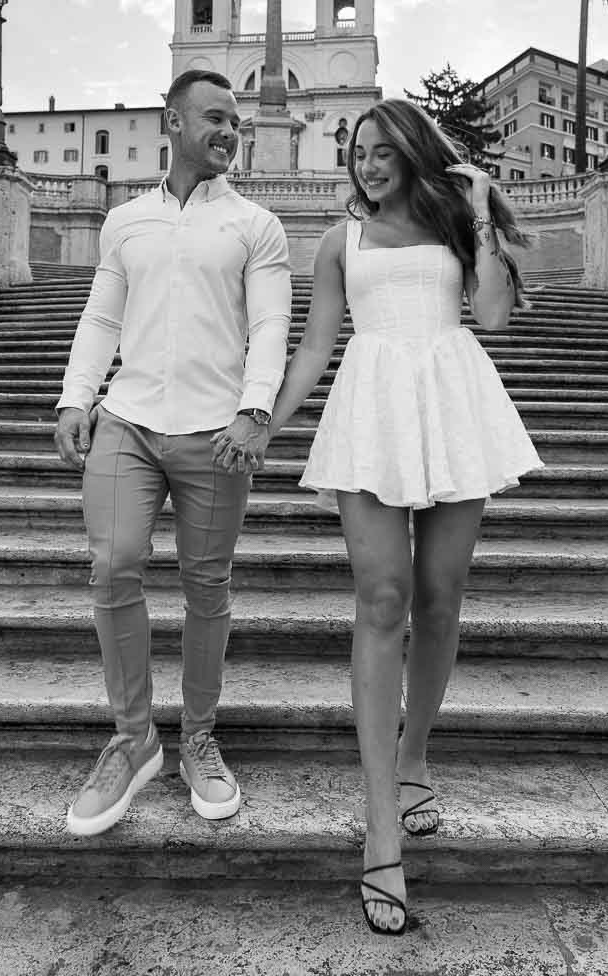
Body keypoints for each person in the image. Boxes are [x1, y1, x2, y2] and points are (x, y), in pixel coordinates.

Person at [215, 98, 541, 935]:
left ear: (411, 149)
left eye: (379, 148)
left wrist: (477, 209)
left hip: (452, 397)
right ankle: (380, 828)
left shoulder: (455, 226)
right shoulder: (337, 240)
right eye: (355, 151)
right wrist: (262, 422)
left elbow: (495, 317)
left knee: (439, 596)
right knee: (382, 600)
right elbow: (316, 346)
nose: (366, 163)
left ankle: (416, 756)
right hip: (370, 406)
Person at [54, 69, 291, 837]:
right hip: (127, 419)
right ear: (173, 121)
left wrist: (257, 410)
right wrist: (74, 397)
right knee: (114, 564)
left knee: (206, 586)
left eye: (236, 123)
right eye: (215, 118)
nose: (229, 131)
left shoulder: (258, 225)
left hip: (215, 429)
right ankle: (133, 739)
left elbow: (270, 329)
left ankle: (196, 737)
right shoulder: (124, 221)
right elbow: (100, 317)